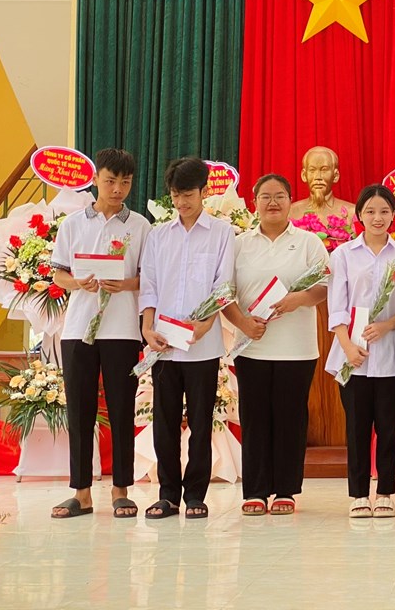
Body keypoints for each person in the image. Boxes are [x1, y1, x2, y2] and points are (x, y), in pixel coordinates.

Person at [50, 148, 152, 519]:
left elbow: (148, 279)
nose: (117, 189)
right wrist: (78, 282)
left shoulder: (140, 226)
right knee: (80, 410)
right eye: (110, 181)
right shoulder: (73, 224)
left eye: (125, 182)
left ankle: (121, 490)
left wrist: (125, 285)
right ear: (95, 180)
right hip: (78, 328)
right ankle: (81, 493)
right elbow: (58, 274)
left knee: (123, 408)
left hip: (122, 330)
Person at [222, 174, 329, 516]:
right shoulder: (239, 244)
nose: (272, 202)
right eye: (265, 196)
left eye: (280, 196)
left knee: (290, 419)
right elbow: (223, 293)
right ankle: (254, 491)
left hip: (297, 348)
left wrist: (300, 299)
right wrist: (242, 323)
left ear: (290, 201)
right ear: (254, 202)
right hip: (251, 345)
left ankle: (285, 490)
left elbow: (325, 286)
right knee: (254, 418)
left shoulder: (309, 242)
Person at [139, 157, 236, 520]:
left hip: (202, 346)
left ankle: (196, 495)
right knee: (164, 423)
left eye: (188, 195)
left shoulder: (222, 233)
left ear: (204, 192)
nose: (181, 202)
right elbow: (149, 285)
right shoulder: (158, 235)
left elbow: (223, 285)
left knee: (200, 422)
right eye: (176, 195)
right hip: (164, 345)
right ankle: (167, 495)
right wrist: (147, 328)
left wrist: (206, 325)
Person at [326, 184, 395, 519]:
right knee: (357, 428)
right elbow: (336, 307)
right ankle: (359, 494)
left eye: (385, 211)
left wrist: (387, 325)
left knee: (389, 428)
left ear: (394, 214)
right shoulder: (343, 255)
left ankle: (386, 492)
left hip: (392, 353)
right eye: (371, 211)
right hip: (353, 356)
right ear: (359, 215)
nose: (378, 218)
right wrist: (347, 346)